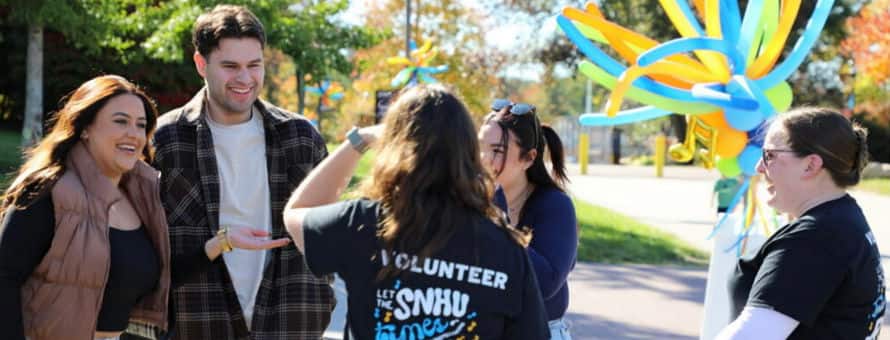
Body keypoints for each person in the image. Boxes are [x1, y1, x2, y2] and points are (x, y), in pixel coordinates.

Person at [282, 84, 550, 339]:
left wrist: (359, 140)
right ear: (470, 151)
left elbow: (296, 213)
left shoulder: (363, 222)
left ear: (394, 146)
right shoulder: (506, 248)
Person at [151, 5, 333, 339]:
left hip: (289, 321)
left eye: (254, 65)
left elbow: (327, 227)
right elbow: (147, 244)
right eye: (230, 66)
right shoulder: (165, 140)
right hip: (197, 322)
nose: (245, 79)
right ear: (201, 64)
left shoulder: (301, 138)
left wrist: (322, 298)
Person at [0, 75, 169, 340]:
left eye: (141, 125)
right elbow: (4, 278)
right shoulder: (46, 190)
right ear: (85, 128)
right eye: (120, 121)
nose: (134, 134)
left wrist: (218, 245)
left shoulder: (141, 196)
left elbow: (135, 272)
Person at [717, 107, 885, 339]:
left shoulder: (817, 237)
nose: (759, 167)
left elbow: (752, 335)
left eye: (769, 155)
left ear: (810, 165)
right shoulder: (844, 218)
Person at [478, 99, 578, 339]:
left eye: (497, 151)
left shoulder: (555, 205)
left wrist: (496, 222)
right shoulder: (468, 201)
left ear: (529, 158)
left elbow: (544, 283)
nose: (483, 159)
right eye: (479, 147)